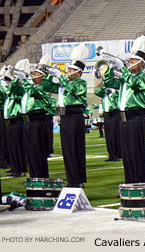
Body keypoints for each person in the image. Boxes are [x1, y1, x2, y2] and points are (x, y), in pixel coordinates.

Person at [103, 35, 145, 183]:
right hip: (123, 120)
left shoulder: (143, 77)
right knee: (128, 155)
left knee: (137, 154)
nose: (130, 63)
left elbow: (134, 83)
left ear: (142, 64)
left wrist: (122, 68)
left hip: (136, 119)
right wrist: (111, 67)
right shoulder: (126, 77)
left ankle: (140, 182)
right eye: (130, 61)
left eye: (134, 61)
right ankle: (130, 182)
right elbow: (109, 82)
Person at [44, 44, 88, 188]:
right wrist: (50, 76)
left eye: (72, 70)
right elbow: (47, 87)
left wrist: (61, 76)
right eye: (69, 69)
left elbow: (75, 90)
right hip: (64, 117)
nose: (69, 72)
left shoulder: (81, 82)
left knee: (76, 148)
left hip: (75, 117)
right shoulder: (64, 83)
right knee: (67, 149)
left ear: (79, 72)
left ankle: (78, 179)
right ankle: (72, 179)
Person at [21, 60, 52, 178]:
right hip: (28, 122)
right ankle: (35, 177)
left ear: (42, 77)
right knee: (30, 153)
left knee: (37, 152)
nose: (33, 75)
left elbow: (32, 91)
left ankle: (41, 177)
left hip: (37, 122)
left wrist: (24, 79)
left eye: (36, 74)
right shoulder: (31, 86)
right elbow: (14, 91)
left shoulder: (43, 86)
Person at [1, 59, 29, 177]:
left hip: (18, 120)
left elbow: (10, 92)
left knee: (18, 146)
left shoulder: (23, 87)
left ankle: (21, 168)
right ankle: (14, 167)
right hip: (10, 120)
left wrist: (5, 83)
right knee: (12, 145)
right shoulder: (14, 87)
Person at [94, 87, 122, 162]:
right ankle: (111, 155)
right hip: (106, 116)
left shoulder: (116, 93)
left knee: (115, 136)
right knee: (108, 137)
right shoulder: (104, 94)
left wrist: (113, 91)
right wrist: (104, 87)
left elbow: (119, 98)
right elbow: (96, 92)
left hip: (114, 114)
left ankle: (117, 155)